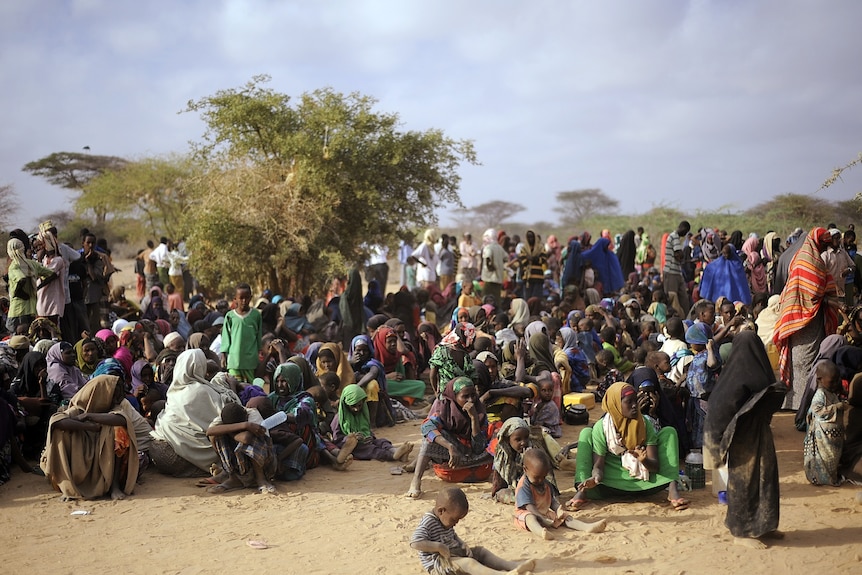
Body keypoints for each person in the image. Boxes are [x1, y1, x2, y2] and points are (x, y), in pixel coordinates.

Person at [703, 331, 786, 548]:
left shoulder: (757, 370)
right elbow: (718, 412)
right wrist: (715, 452)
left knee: (766, 479)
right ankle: (740, 531)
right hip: (742, 439)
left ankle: (764, 525)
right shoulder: (734, 379)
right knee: (744, 483)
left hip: (761, 434)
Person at [569, 382, 688, 510]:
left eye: (635, 401)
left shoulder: (643, 423)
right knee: (585, 433)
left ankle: (672, 489)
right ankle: (582, 491)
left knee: (669, 432)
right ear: (615, 404)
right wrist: (595, 478)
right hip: (610, 482)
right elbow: (599, 466)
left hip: (644, 480)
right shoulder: (602, 427)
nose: (634, 406)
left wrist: (644, 460)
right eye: (628, 402)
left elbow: (655, 466)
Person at [40, 374, 139, 500]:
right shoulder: (78, 409)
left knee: (120, 432)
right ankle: (68, 484)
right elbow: (56, 421)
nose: (118, 399)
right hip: (80, 456)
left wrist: (89, 416)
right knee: (60, 432)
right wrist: (88, 427)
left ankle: (114, 485)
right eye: (114, 394)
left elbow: (121, 419)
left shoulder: (113, 409)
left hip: (103, 458)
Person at [773, 227, 841, 411]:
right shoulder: (810, 262)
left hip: (799, 318)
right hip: (805, 320)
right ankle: (802, 405)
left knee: (802, 362)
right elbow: (814, 291)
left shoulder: (801, 258)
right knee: (804, 362)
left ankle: (797, 404)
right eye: (824, 245)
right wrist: (830, 298)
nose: (825, 249)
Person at [149, 349, 241, 477]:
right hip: (190, 453)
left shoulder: (173, 391)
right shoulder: (202, 391)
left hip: (161, 450)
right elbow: (231, 413)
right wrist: (232, 388)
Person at [410, 487, 535, 575]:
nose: (456, 523)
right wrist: (438, 547)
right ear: (441, 511)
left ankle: (511, 566)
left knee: (481, 552)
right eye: (454, 519)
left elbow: (452, 535)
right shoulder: (428, 521)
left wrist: (462, 543)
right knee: (469, 563)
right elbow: (415, 543)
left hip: (453, 553)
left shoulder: (445, 520)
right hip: (439, 563)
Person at [406, 377, 492, 498]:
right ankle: (416, 480)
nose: (471, 400)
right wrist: (450, 446)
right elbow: (426, 427)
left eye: (473, 395)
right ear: (454, 396)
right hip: (452, 458)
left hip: (476, 458)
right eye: (465, 396)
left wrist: (474, 419)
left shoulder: (479, 409)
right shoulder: (443, 406)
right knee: (429, 438)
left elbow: (478, 448)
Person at [515, 449, 600, 540]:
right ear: (525, 469)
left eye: (543, 477)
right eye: (537, 477)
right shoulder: (524, 485)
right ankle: (541, 532)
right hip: (527, 513)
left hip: (544, 513)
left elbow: (551, 501)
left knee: (564, 517)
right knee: (530, 518)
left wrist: (558, 509)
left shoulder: (545, 483)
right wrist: (540, 517)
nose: (540, 480)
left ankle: (585, 527)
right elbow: (529, 507)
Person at [205, 401, 276, 494]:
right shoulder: (223, 417)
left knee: (252, 439)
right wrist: (245, 425)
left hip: (265, 464)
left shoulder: (253, 414)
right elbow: (209, 432)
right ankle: (233, 478)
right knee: (216, 436)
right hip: (240, 465)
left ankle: (261, 479)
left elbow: (246, 438)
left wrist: (228, 430)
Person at [331, 384, 413, 462]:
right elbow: (336, 439)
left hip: (366, 441)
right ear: (345, 404)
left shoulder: (363, 414)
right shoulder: (339, 418)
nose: (356, 409)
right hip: (353, 446)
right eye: (353, 406)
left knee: (382, 442)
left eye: (359, 406)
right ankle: (392, 456)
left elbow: (367, 430)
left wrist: (369, 436)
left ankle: (396, 451)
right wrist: (351, 438)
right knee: (371, 450)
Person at [803, 360, 845, 486]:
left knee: (833, 458)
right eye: (832, 381)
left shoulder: (830, 393)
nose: (836, 384)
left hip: (833, 435)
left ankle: (831, 477)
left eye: (838, 380)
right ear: (820, 379)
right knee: (824, 458)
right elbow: (818, 411)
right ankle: (822, 478)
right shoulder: (819, 395)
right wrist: (837, 407)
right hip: (823, 437)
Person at [6, 238, 56, 335]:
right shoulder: (32, 264)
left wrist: (20, 293)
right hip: (32, 310)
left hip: (17, 311)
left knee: (15, 340)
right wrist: (38, 287)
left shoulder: (14, 265)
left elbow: (21, 278)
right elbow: (52, 274)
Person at [220, 283, 262, 382]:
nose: (244, 301)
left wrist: (259, 353)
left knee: (250, 388)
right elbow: (226, 337)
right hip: (234, 360)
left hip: (250, 360)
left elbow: (258, 336)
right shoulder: (230, 316)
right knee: (234, 387)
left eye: (247, 298)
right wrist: (223, 355)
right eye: (241, 298)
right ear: (235, 299)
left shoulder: (256, 315)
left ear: (251, 298)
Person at [429, 323, 476, 398]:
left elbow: (433, 375)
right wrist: (435, 391)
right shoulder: (442, 351)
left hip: (460, 395)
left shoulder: (465, 354)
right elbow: (433, 375)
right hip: (452, 395)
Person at [662, 221, 692, 317]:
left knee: (683, 298)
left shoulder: (676, 237)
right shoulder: (674, 236)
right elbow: (678, 254)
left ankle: (685, 318)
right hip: (671, 272)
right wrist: (683, 256)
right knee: (672, 298)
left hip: (676, 272)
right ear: (683, 229)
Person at [481, 229, 507, 303]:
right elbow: (506, 258)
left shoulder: (488, 247)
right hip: (498, 278)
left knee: (486, 297)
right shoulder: (500, 248)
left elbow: (488, 257)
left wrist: (490, 267)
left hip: (489, 278)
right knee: (496, 298)